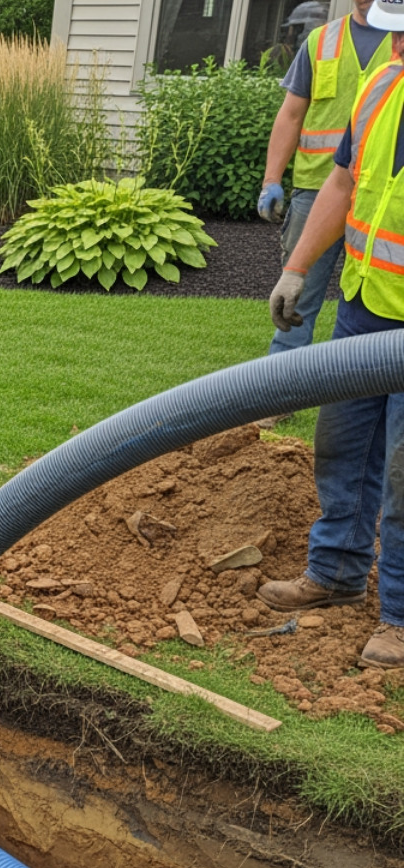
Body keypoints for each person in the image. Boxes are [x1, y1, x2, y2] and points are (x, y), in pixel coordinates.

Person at [265, 0, 404, 668]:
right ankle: (337, 573)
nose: (396, 41)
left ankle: (402, 617)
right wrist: (296, 268)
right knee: (341, 447)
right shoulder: (383, 81)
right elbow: (344, 180)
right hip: (365, 306)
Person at [258, 0, 392, 365]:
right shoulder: (320, 41)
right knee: (295, 296)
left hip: (376, 195)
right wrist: (272, 179)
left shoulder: (399, 39)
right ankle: (278, 390)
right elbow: (291, 113)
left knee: (369, 300)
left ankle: (357, 386)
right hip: (316, 190)